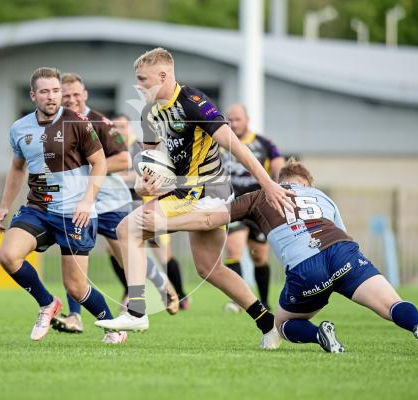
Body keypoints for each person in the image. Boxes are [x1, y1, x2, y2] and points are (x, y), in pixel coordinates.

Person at [138, 159, 418, 355]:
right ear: (307, 185)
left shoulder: (259, 195)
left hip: (305, 268)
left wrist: (165, 223)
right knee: (391, 303)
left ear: (278, 178)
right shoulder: (322, 196)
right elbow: (343, 232)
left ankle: (319, 335)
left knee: (282, 325)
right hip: (343, 253)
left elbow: (209, 221)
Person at [95, 47, 294, 349]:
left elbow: (237, 148)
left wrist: (268, 185)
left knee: (127, 228)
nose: (139, 86)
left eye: (143, 79)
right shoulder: (150, 112)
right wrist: (145, 183)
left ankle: (136, 310)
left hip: (208, 192)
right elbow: (153, 160)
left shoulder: (194, 103)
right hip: (183, 192)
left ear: (163, 75)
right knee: (209, 268)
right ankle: (268, 325)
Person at [0, 67, 127, 344]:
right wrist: (5, 204)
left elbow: (101, 162)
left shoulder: (78, 122)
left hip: (74, 214)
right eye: (45, 91)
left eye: (55, 91)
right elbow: (17, 168)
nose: (52, 97)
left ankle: (113, 327)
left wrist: (87, 201)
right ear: (33, 96)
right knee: (8, 255)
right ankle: (46, 304)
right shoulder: (19, 128)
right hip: (38, 209)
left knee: (77, 288)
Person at [52, 73, 178, 334]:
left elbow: (122, 159)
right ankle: (74, 316)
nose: (72, 99)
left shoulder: (100, 122)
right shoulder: (55, 126)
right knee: (74, 256)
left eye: (76, 94)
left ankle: (161, 282)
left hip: (110, 202)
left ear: (85, 94)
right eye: (67, 96)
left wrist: (88, 169)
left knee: (124, 255)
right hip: (75, 203)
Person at [113, 113, 190, 311]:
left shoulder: (138, 147)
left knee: (163, 255)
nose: (118, 131)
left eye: (122, 127)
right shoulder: (112, 149)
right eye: (115, 128)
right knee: (116, 252)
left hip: (147, 205)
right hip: (121, 207)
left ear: (129, 128)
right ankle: (128, 292)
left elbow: (146, 175)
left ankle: (181, 295)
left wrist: (117, 177)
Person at [222, 104, 285, 312]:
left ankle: (264, 301)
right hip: (233, 203)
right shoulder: (220, 143)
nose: (233, 123)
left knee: (259, 256)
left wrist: (277, 186)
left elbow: (278, 164)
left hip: (258, 205)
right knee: (233, 249)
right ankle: (239, 300)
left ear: (247, 119)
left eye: (237, 119)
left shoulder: (263, 143)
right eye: (229, 119)